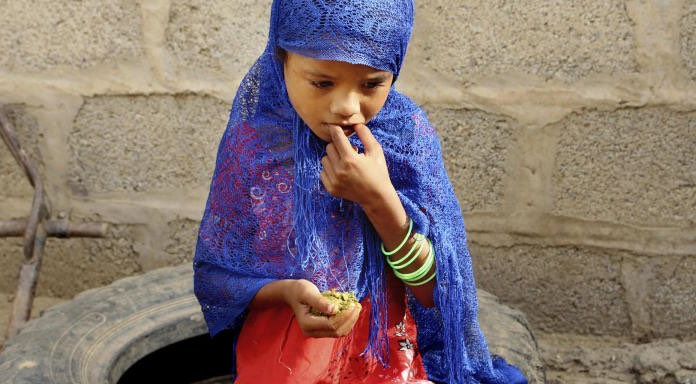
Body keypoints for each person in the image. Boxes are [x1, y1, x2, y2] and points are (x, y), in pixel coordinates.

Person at [193, 0, 528, 383]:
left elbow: (440, 293)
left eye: (372, 84)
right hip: (287, 357)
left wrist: (378, 199)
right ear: (280, 60)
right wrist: (286, 292)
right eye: (321, 83)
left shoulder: (406, 138)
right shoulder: (254, 145)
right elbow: (217, 274)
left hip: (390, 358)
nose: (346, 107)